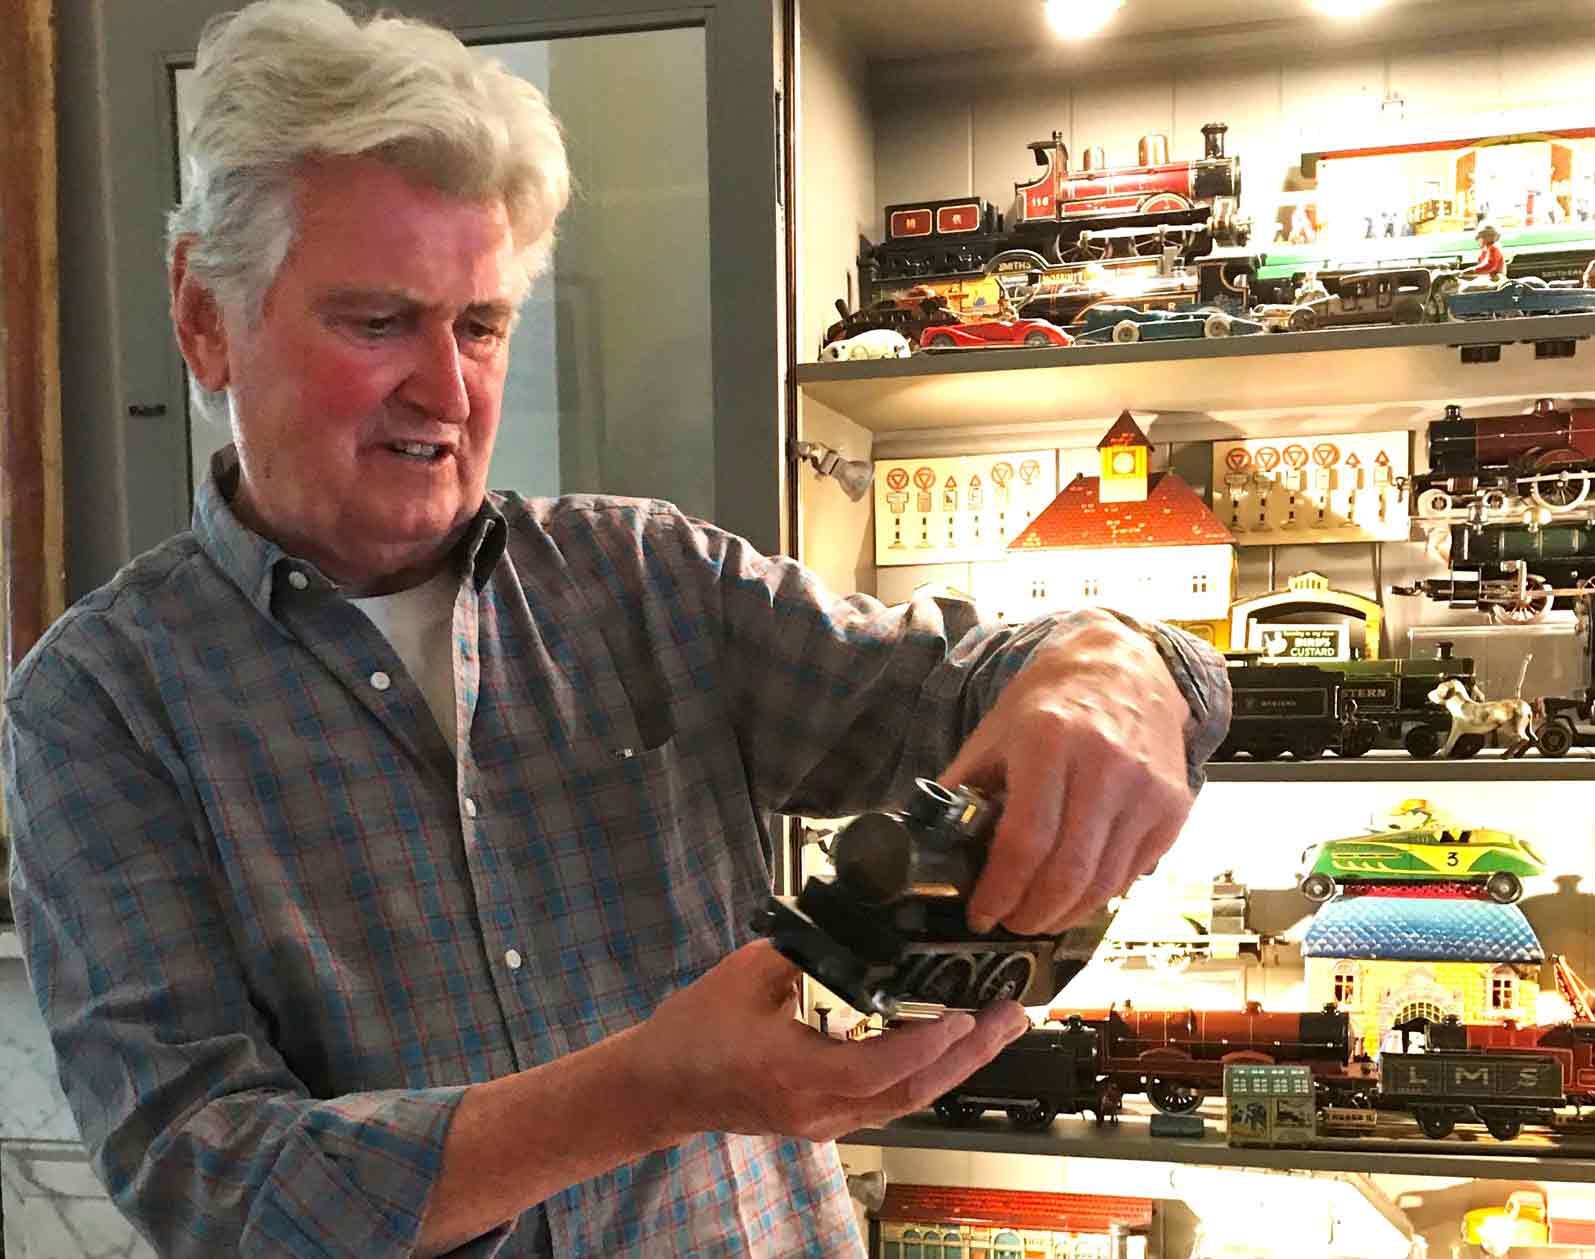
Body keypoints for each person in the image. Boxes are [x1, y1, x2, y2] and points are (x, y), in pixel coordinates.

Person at [1, 2, 1230, 1256]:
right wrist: (652, 1085)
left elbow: (960, 682)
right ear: (206, 315)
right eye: (376, 322)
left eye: (479, 325)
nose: (447, 388)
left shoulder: (645, 577)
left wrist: (1115, 666)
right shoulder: (100, 702)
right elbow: (215, 1183)